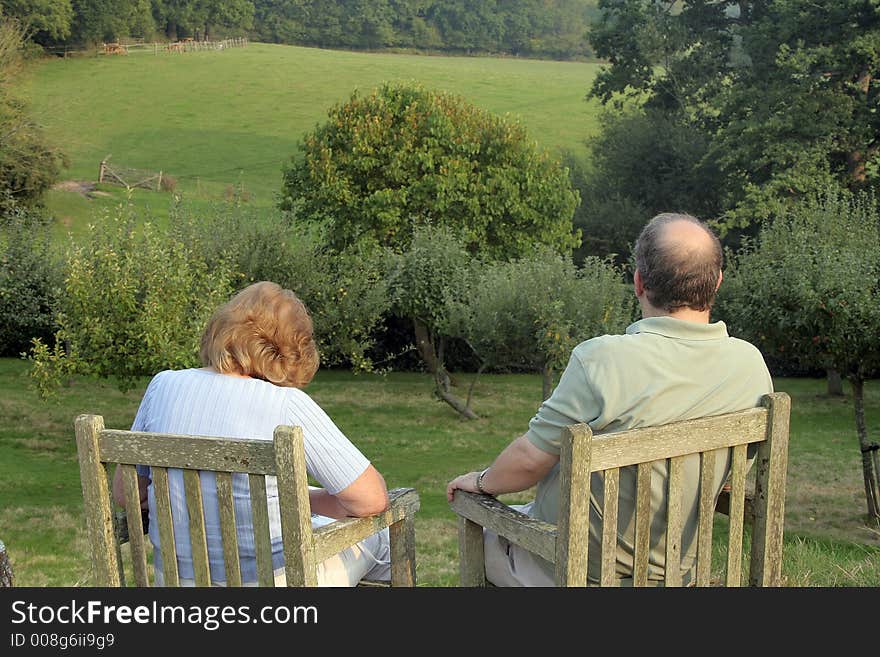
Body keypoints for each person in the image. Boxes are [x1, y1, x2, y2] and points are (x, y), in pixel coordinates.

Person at [446, 212, 773, 586]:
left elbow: (528, 461)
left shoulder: (600, 360)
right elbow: (733, 471)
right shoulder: (750, 364)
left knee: (486, 531)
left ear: (638, 282)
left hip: (580, 572)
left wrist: (483, 482)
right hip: (680, 573)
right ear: (717, 282)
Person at [112, 281, 391, 586]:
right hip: (273, 583)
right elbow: (371, 500)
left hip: (176, 583)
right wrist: (307, 501)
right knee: (382, 537)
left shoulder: (162, 386)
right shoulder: (286, 404)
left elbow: (126, 494)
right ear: (291, 348)